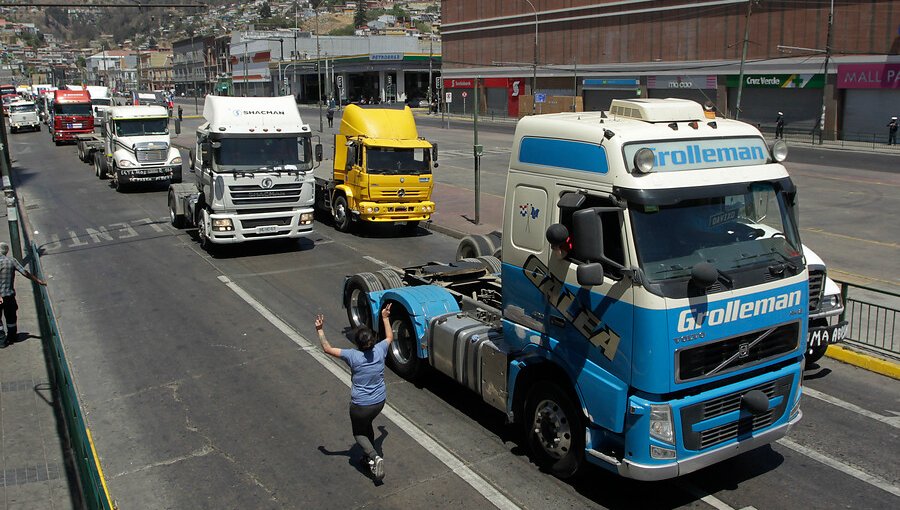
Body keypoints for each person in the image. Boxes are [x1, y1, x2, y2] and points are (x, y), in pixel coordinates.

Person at [316, 303, 393, 481]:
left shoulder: (353, 356)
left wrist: (320, 329)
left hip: (360, 405)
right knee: (367, 426)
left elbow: (327, 348)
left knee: (358, 433)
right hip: (379, 401)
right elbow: (389, 336)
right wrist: (385, 318)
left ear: (357, 344)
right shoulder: (381, 349)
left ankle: (374, 456)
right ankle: (368, 458)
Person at [0, 242, 46, 347]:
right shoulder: (12, 261)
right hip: (9, 295)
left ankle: (2, 340)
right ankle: (12, 336)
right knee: (11, 317)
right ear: (6, 251)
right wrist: (38, 281)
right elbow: (25, 272)